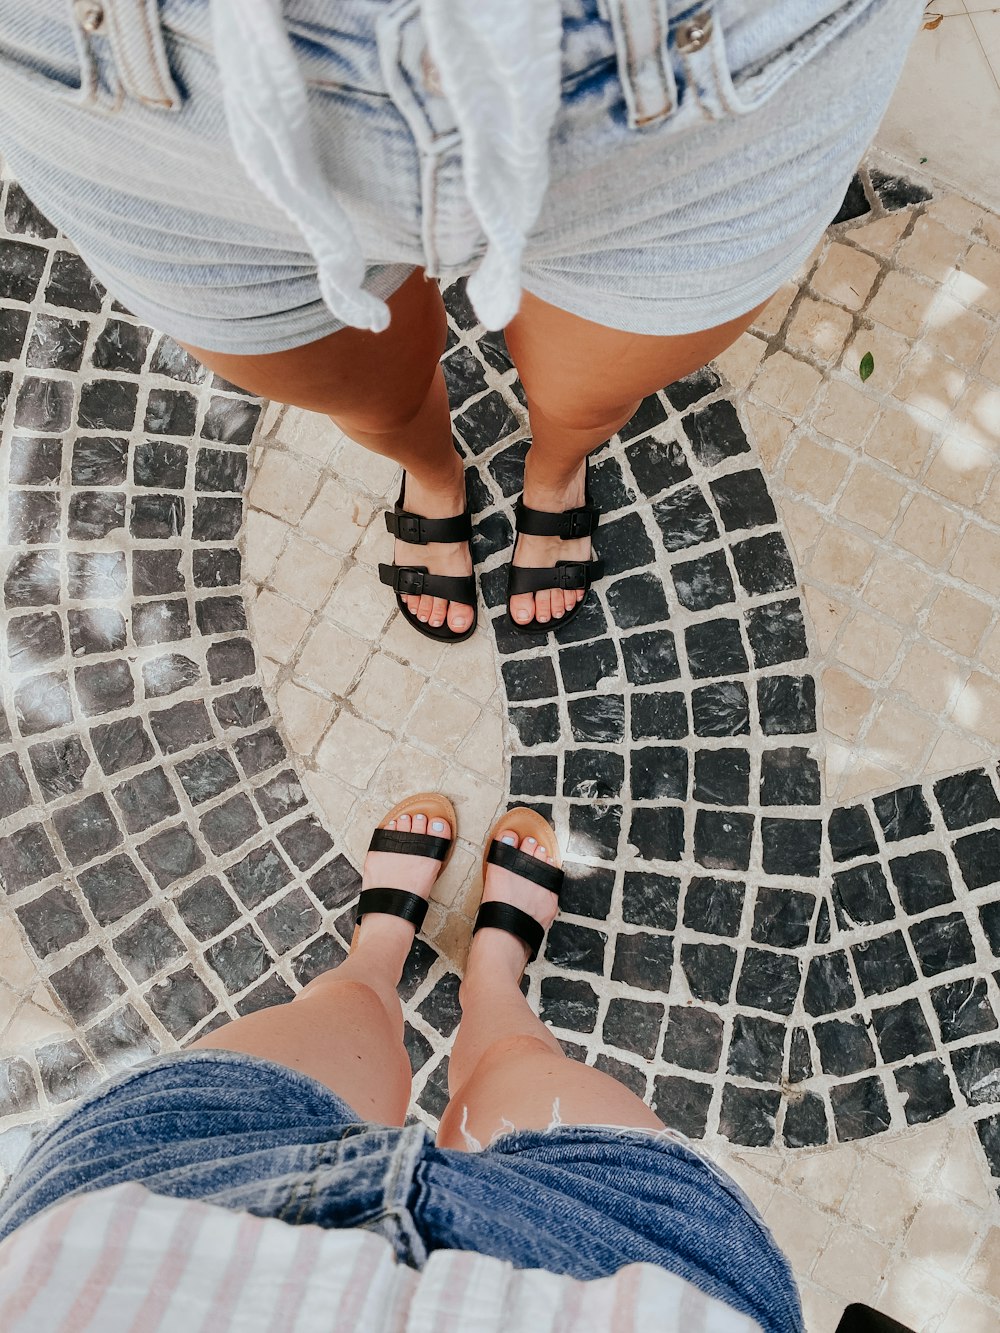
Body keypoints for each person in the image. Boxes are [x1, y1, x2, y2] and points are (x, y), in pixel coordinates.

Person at [0, 0, 920, 640]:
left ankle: (555, 471)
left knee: (588, 400)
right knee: (371, 405)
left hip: (704, 69)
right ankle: (432, 475)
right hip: (127, 87)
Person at [0, 796, 804, 1331]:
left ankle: (381, 949)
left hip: (153, 1221)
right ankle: (492, 971)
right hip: (630, 1279)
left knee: (342, 1017)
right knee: (515, 1061)